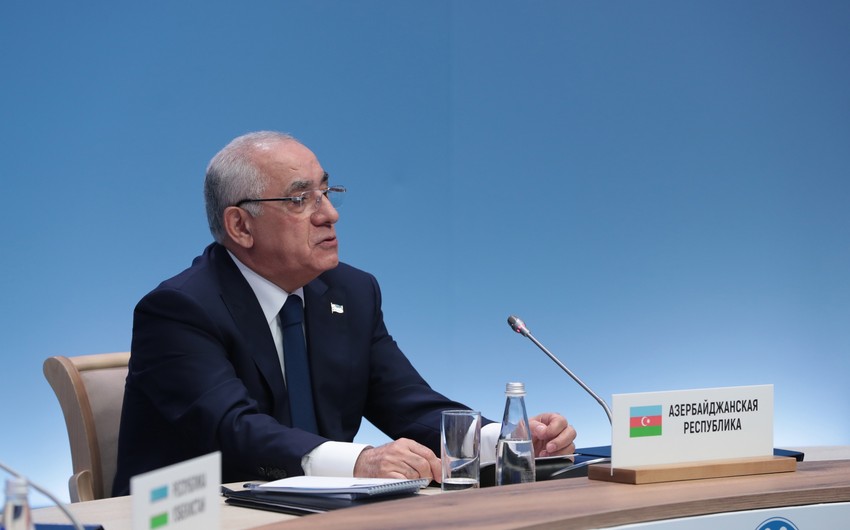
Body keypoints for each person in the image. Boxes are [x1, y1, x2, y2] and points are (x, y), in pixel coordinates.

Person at [112, 131, 577, 496]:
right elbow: (235, 431)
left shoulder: (350, 292)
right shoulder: (179, 311)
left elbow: (408, 403)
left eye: (327, 191)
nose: (330, 214)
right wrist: (361, 462)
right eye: (300, 199)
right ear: (240, 225)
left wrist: (506, 442)